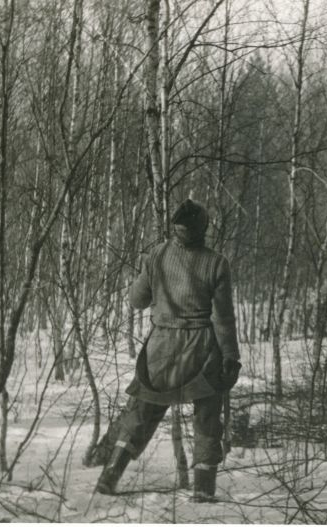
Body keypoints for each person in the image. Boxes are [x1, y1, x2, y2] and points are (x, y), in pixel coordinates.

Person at [95, 199, 241, 502]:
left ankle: (110, 475)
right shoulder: (217, 262)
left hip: (160, 348)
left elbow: (137, 301)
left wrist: (150, 277)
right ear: (203, 228)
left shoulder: (157, 255)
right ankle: (203, 488)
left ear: (176, 227)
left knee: (141, 411)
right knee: (207, 414)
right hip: (202, 350)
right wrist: (230, 356)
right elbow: (223, 318)